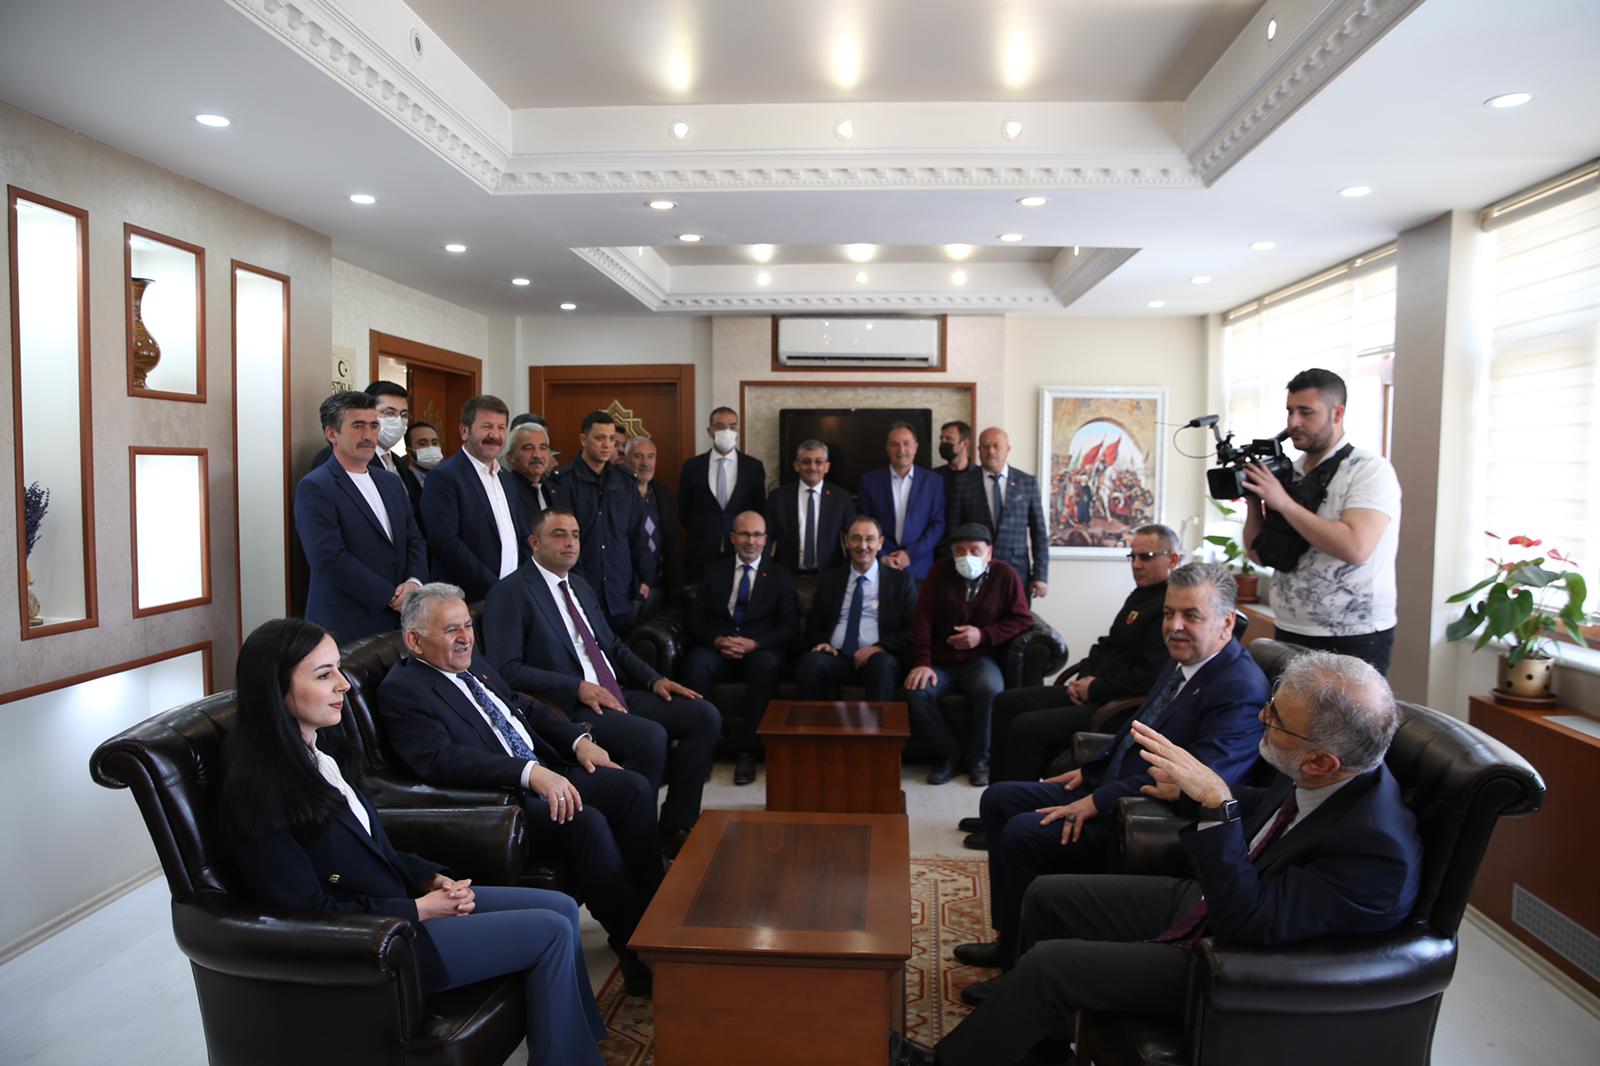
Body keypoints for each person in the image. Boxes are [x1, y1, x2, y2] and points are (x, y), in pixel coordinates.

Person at [897, 652, 1422, 1066]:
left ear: (1322, 761)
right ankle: (1038, 1047)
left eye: (1276, 717)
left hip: (1235, 962)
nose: (1262, 716)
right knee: (1048, 896)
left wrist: (1217, 805)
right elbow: (1271, 808)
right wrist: (1198, 792)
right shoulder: (1330, 769)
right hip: (1217, 903)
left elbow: (1249, 922)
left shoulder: (1377, 853)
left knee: (1050, 966)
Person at [219, 618, 606, 1066]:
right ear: (276, 689)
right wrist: (420, 909)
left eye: (338, 669)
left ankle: (580, 1048)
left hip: (402, 906)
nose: (344, 684)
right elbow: (307, 911)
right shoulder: (259, 791)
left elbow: (372, 848)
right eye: (324, 675)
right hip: (381, 944)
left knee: (560, 906)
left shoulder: (321, 753)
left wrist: (429, 878)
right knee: (552, 930)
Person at [955, 562, 1269, 1002]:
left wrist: (1096, 801)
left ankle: (1020, 973)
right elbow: (1138, 728)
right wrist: (1091, 770)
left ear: (1226, 623)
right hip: (1114, 787)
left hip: (1145, 816)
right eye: (1168, 613)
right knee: (1000, 800)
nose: (1174, 626)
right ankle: (1010, 939)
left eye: (1191, 615)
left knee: (1025, 833)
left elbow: (1195, 782)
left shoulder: (1239, 688)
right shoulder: (1184, 661)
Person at [377, 583, 662, 996]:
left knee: (632, 788)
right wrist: (528, 773)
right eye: (451, 630)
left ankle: (656, 916)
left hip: (546, 767)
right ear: (414, 641)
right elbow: (440, 760)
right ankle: (635, 953)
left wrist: (577, 741)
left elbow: (522, 707)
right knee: (585, 820)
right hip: (503, 799)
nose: (465, 637)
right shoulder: (404, 689)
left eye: (467, 625)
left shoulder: (473, 663)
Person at [481, 508, 720, 855]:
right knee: (650, 737)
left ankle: (674, 827)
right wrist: (576, 687)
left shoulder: (578, 585)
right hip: (569, 705)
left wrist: (654, 680)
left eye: (576, 535)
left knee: (704, 716)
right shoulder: (511, 592)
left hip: (613, 691)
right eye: (559, 534)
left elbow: (612, 645)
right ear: (534, 542)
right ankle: (637, 844)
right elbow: (506, 669)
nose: (570, 543)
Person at [978, 524, 1180, 791]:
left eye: (1146, 557)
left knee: (1025, 727)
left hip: (1119, 706)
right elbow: (1108, 644)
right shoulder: (1140, 595)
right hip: (1096, 689)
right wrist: (1084, 678)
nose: (1136, 565)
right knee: (1005, 702)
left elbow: (1148, 677)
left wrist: (1093, 687)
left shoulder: (1171, 607)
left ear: (1173, 559)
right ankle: (996, 800)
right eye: (1132, 556)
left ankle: (1018, 806)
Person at [1242, 367, 1402, 673]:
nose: (1293, 423)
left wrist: (1283, 503)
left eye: (1306, 412)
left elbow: (1355, 547)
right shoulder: (1290, 473)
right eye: (1289, 411)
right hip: (1290, 627)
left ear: (1337, 413)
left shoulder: (1369, 470)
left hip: (1353, 635)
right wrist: (1253, 500)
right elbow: (1259, 554)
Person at [904, 523, 1033, 787]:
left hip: (980, 661)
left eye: (975, 550)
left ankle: (979, 761)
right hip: (940, 660)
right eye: (960, 551)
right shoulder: (939, 572)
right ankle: (950, 754)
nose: (967, 556)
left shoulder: (1005, 575)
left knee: (990, 690)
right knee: (916, 692)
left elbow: (1021, 619)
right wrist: (922, 662)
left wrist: (983, 635)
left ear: (989, 552)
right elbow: (922, 619)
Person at [294, 391, 427, 642]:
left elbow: (414, 538)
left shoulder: (389, 481)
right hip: (348, 621)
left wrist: (414, 583)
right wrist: (389, 595)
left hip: (401, 616)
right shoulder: (316, 486)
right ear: (331, 433)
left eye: (373, 426)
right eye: (358, 426)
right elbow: (328, 558)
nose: (368, 435)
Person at [678, 511, 798, 786]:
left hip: (758, 650)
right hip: (718, 648)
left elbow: (788, 627)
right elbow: (695, 620)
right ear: (732, 537)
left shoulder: (780, 576)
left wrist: (756, 643)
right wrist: (717, 640)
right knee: (695, 663)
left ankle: (748, 753)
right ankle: (702, 751)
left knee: (766, 666)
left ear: (765, 539)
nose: (750, 541)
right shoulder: (714, 571)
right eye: (744, 534)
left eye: (757, 535)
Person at [795, 515, 918, 703]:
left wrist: (880, 648)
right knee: (811, 662)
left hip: (878, 657)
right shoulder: (830, 579)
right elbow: (813, 623)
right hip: (836, 656)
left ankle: (879, 723)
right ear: (846, 541)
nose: (863, 546)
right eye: (856, 538)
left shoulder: (900, 582)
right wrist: (821, 643)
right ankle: (813, 722)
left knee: (882, 663)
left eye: (870, 539)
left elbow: (912, 630)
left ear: (880, 543)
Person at [420, 395, 529, 602]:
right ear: (464, 431)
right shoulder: (444, 476)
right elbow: (446, 543)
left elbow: (521, 535)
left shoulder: (507, 478)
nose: (495, 435)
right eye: (487, 426)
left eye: (501, 427)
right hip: (467, 600)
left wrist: (522, 583)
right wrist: (495, 588)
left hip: (512, 595)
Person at [558, 411, 654, 635]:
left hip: (619, 588)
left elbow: (637, 534)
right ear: (583, 439)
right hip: (580, 586)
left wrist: (646, 576)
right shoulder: (563, 481)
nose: (607, 445)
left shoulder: (626, 481)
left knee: (621, 649)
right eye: (600, 438)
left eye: (611, 439)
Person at [950, 427, 1049, 599]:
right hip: (974, 571)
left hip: (1017, 571)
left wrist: (1040, 575)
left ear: (1007, 449)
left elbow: (1039, 532)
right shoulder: (963, 482)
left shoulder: (1027, 483)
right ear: (979, 450)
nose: (991, 451)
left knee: (1016, 616)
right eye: (985, 446)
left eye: (996, 446)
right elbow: (953, 529)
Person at [678, 406, 767, 583]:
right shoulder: (692, 467)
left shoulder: (753, 467)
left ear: (737, 430)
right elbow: (684, 510)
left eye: (732, 426)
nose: (727, 431)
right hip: (701, 551)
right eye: (720, 426)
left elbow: (759, 509)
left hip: (741, 551)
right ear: (710, 431)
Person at [858, 422, 946, 580]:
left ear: (915, 447)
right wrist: (882, 556)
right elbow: (863, 524)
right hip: (880, 564)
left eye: (906, 443)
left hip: (919, 566)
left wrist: (911, 554)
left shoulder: (933, 481)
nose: (901, 450)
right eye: (895, 445)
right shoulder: (869, 481)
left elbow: (938, 524)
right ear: (887, 448)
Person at [765, 439, 856, 573]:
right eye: (806, 462)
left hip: (830, 574)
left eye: (818, 462)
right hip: (786, 574)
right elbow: (765, 538)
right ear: (797, 465)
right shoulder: (778, 498)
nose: (812, 467)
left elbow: (852, 537)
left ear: (827, 467)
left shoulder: (841, 498)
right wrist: (764, 570)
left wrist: (850, 571)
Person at [625, 436, 680, 610]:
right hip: (630, 585)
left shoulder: (664, 493)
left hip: (661, 584)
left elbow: (672, 540)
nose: (645, 463)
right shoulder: (619, 495)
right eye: (638, 456)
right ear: (626, 459)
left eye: (651, 456)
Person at [504, 418, 559, 516]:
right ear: (511, 457)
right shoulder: (504, 491)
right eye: (528, 448)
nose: (537, 455)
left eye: (543, 448)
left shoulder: (559, 492)